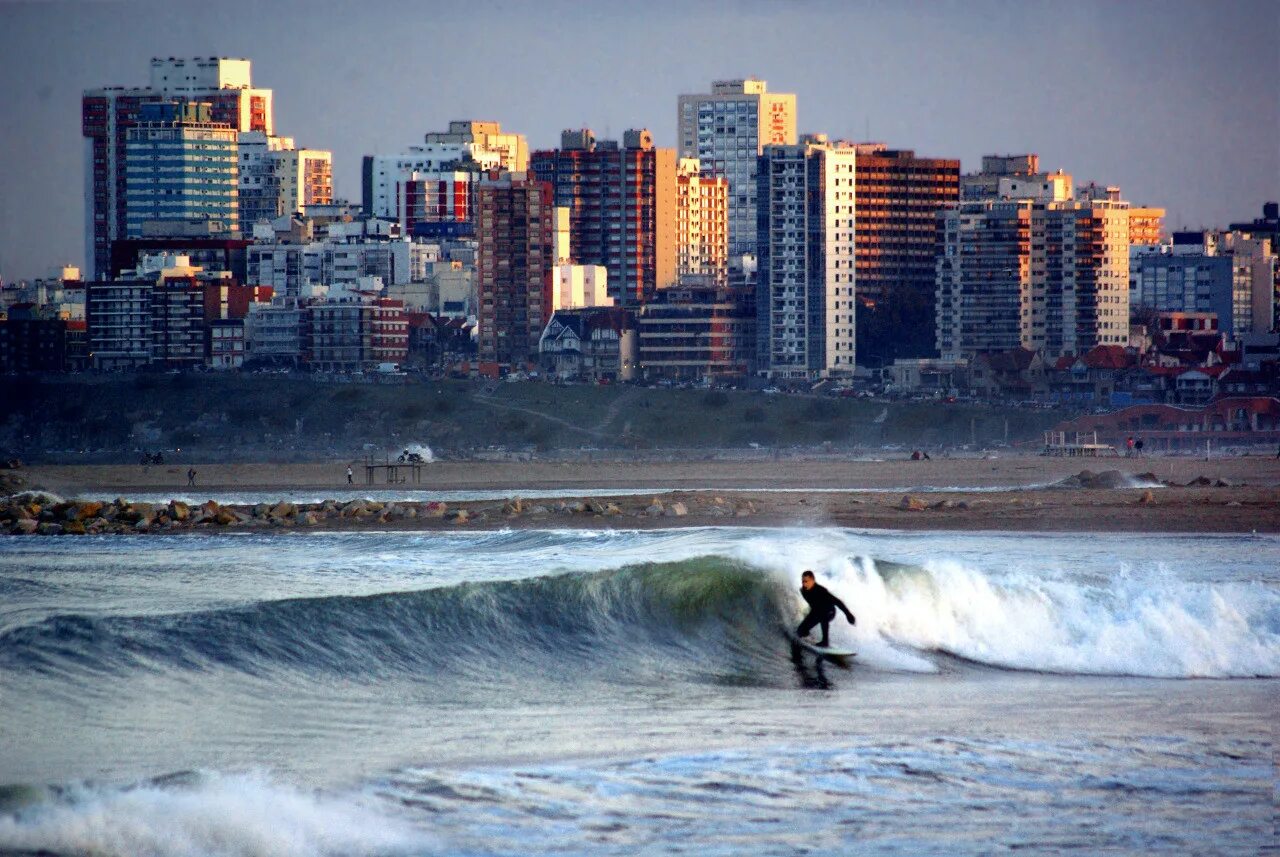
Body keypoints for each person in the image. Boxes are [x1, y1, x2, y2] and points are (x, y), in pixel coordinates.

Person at [796, 570, 855, 648]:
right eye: (803, 581)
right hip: (816, 611)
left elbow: (837, 601)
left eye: (806, 581)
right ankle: (808, 635)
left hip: (829, 611)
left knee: (823, 614)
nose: (804, 583)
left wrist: (848, 614)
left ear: (813, 580)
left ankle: (825, 641)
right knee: (800, 631)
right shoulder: (803, 591)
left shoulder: (821, 590)